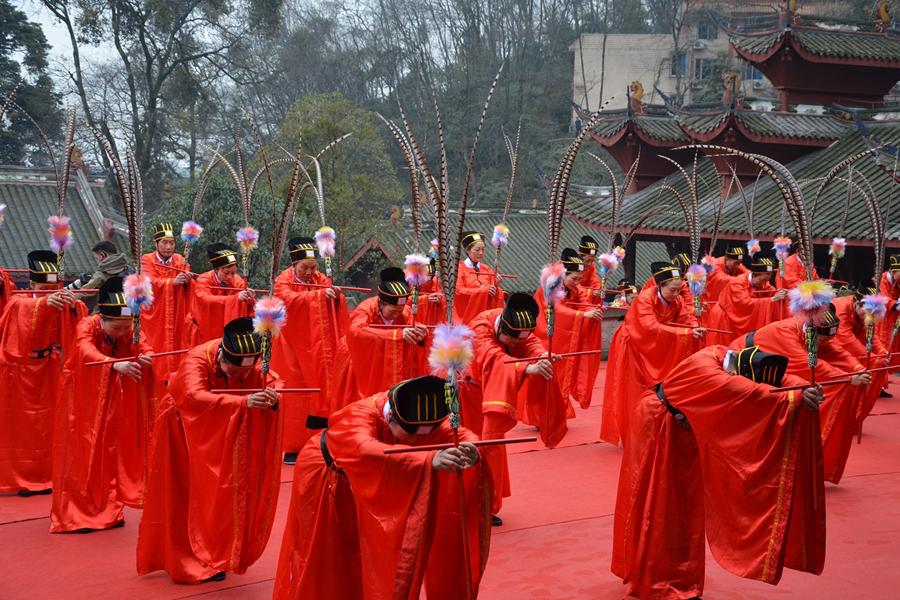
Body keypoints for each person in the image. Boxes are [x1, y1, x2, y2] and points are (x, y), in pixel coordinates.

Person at [613, 345, 825, 599]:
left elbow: (776, 379)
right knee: (659, 509)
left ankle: (677, 578)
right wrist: (795, 398)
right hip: (658, 426)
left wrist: (802, 387)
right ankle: (657, 581)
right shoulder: (710, 374)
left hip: (683, 430)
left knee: (684, 510)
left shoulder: (727, 356)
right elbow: (752, 393)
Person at [273, 375, 490, 600]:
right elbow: (366, 450)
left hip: (372, 481)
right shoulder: (359, 416)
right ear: (392, 419)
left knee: (370, 554)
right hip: (327, 475)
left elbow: (454, 432)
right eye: (408, 437)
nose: (414, 443)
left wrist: (471, 447)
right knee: (326, 556)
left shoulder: (415, 413)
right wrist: (428, 459)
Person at [137, 317, 283, 584]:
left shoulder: (250, 358)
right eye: (232, 371)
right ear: (222, 355)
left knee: (221, 493)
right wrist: (242, 402)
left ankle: (215, 552)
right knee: (186, 492)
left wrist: (273, 396)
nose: (238, 377)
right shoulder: (198, 358)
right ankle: (187, 561)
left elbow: (272, 380)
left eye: (244, 374)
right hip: (183, 433)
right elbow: (193, 396)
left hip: (222, 433)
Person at [50, 277, 156, 532]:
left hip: (108, 397)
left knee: (108, 448)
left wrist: (147, 357)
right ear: (102, 318)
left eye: (125, 328)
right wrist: (113, 363)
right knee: (80, 450)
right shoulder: (87, 325)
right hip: (80, 397)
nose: (121, 334)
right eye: (116, 329)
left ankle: (109, 508)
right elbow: (85, 351)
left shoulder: (130, 329)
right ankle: (75, 513)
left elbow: (143, 345)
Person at [730, 306, 870, 484]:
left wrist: (857, 368)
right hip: (745, 362)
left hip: (769, 364)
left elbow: (836, 350)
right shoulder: (787, 333)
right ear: (813, 332)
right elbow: (807, 364)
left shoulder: (817, 329)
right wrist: (847, 378)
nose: (824, 344)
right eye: (822, 340)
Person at [470, 292, 568, 523]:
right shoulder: (480, 326)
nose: (514, 344)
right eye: (511, 339)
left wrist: (543, 356)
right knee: (471, 445)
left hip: (491, 389)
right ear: (502, 326)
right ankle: (466, 501)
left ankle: (486, 505)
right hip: (467, 391)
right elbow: (493, 357)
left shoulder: (517, 332)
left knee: (492, 445)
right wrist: (526, 368)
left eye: (517, 340)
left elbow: (531, 344)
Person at [0, 251, 87, 495]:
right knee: (22, 428)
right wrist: (43, 302)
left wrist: (72, 306)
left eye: (54, 286)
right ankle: (21, 477)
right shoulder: (21, 300)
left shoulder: (59, 298)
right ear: (32, 283)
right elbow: (17, 310)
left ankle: (48, 474)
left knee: (49, 424)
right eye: (44, 286)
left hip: (49, 367)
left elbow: (78, 318)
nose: (50, 291)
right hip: (20, 371)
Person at [601, 261, 704, 446]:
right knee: (634, 387)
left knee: (660, 385)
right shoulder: (644, 299)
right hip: (633, 344)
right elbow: (649, 327)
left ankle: (656, 427)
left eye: (678, 290)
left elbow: (686, 317)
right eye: (672, 290)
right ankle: (635, 433)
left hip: (657, 344)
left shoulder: (677, 299)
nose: (676, 294)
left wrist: (694, 326)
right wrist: (685, 332)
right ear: (660, 285)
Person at [270, 236, 349, 463]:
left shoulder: (319, 278)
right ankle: (294, 445)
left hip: (317, 344)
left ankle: (321, 439)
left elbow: (330, 294)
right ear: (294, 264)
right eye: (304, 267)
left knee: (322, 385)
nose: (309, 272)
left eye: (313, 267)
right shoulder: (282, 281)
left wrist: (335, 295)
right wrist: (317, 295)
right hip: (290, 346)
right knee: (297, 393)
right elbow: (287, 299)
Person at [333, 267, 429, 405]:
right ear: (382, 302)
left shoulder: (404, 311)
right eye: (394, 310)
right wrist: (397, 335)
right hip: (360, 360)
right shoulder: (366, 308)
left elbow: (409, 325)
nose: (398, 313)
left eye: (400, 309)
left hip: (386, 361)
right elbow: (356, 331)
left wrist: (419, 334)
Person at [533, 248, 604, 410]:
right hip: (546, 334)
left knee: (562, 373)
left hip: (563, 334)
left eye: (580, 279)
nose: (577, 283)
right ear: (563, 274)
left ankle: (558, 408)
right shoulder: (549, 288)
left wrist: (594, 311)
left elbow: (584, 300)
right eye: (574, 278)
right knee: (550, 371)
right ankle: (543, 412)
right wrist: (582, 315)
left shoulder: (575, 288)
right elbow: (556, 309)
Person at [140, 223, 193, 385]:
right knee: (155, 348)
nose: (169, 246)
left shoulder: (180, 260)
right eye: (164, 242)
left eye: (172, 242)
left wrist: (187, 281)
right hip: (155, 314)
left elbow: (189, 286)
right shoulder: (147, 259)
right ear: (155, 243)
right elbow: (148, 282)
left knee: (179, 346)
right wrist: (172, 282)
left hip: (177, 312)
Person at [832, 282, 888, 438]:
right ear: (857, 303)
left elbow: (869, 334)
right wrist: (874, 359)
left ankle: (851, 419)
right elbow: (845, 339)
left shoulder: (865, 312)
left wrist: (882, 351)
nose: (868, 315)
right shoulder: (841, 309)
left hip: (842, 348)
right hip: (830, 346)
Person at [705, 255, 788, 345]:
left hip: (734, 320)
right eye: (762, 280)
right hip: (724, 318)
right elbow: (744, 303)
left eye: (766, 281)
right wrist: (771, 299)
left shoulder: (762, 282)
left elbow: (771, 291)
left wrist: (781, 293)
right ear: (755, 274)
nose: (764, 284)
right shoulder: (737, 283)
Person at [187, 243, 254, 345]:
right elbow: (206, 299)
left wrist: (249, 300)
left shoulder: (237, 280)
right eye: (226, 273)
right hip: (205, 330)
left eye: (233, 273)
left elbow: (246, 304)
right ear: (216, 269)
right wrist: (235, 299)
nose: (230, 277)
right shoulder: (203, 279)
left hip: (227, 330)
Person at [454, 231, 504, 323]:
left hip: (486, 315)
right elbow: (459, 291)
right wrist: (484, 290)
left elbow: (495, 293)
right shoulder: (459, 269)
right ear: (467, 250)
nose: (481, 253)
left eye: (483, 249)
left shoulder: (487, 269)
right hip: (467, 316)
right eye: (477, 250)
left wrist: (496, 286)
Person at [65, 240, 131, 309]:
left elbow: (84, 292)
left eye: (97, 258)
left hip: (110, 312)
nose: (98, 261)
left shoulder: (102, 275)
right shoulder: (129, 270)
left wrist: (66, 299)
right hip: (131, 311)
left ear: (103, 255)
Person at [877, 254, 900, 374]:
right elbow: (884, 300)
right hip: (881, 320)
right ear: (894, 270)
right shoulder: (880, 280)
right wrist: (896, 305)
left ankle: (883, 384)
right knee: (881, 350)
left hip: (893, 320)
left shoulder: (897, 282)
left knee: (890, 351)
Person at [578, 235, 604, 304]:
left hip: (583, 297)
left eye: (592, 261)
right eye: (588, 260)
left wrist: (597, 290)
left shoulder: (592, 265)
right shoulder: (571, 265)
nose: (590, 264)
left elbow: (594, 280)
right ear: (580, 256)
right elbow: (572, 285)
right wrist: (590, 292)